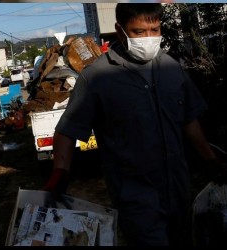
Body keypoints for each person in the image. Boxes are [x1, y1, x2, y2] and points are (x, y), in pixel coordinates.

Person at [44, 3, 227, 247]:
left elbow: (189, 119)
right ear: (120, 31)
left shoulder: (172, 68)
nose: (149, 38)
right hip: (136, 198)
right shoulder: (97, 77)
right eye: (139, 32)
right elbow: (67, 130)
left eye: (154, 29)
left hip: (179, 190)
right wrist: (60, 172)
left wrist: (210, 159)